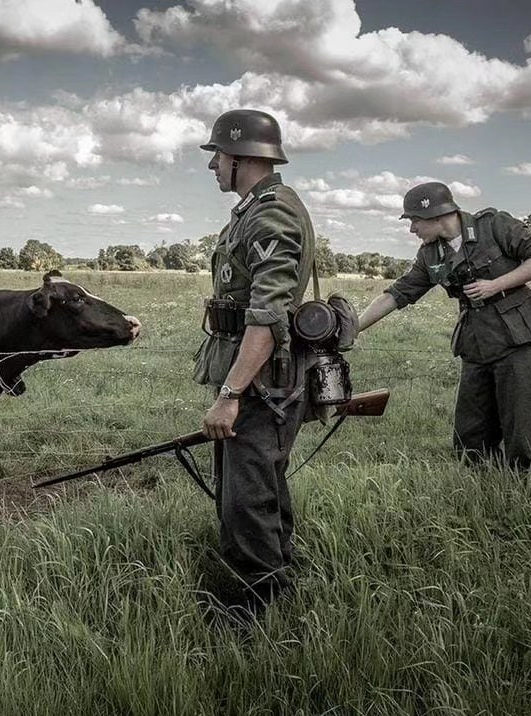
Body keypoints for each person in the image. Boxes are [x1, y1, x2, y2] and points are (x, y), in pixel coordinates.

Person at [195, 108, 316, 614]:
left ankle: (258, 609)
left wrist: (230, 395)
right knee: (258, 485)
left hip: (259, 383)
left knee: (246, 498)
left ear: (241, 157)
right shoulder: (256, 207)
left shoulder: (271, 213)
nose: (212, 167)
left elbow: (267, 318)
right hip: (258, 378)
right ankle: (278, 579)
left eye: (217, 156)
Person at [357, 181, 531, 470]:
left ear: (436, 215)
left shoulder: (494, 225)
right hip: (475, 340)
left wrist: (496, 285)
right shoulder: (430, 255)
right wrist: (352, 328)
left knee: (522, 423)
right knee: (470, 431)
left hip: (516, 336)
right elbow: (396, 295)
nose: (412, 228)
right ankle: (480, 483)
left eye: (414, 220)